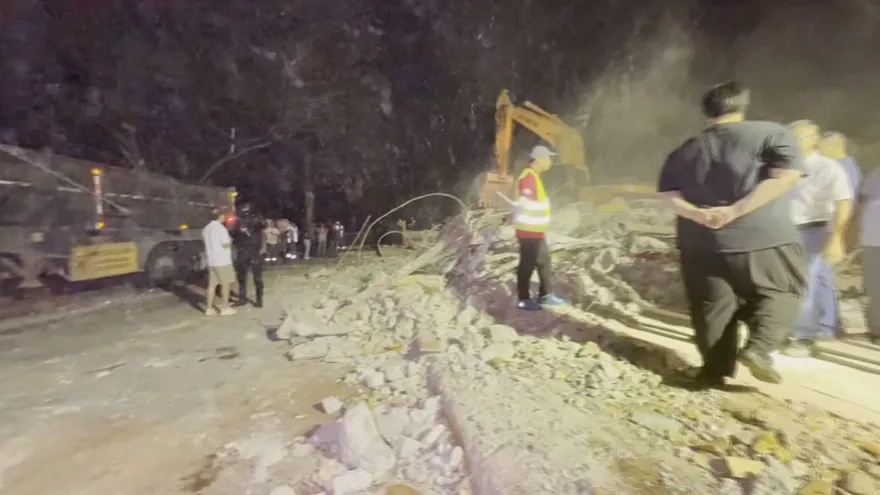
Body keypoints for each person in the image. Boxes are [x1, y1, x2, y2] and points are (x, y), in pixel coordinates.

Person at [656, 81, 807, 386]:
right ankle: (759, 350)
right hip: (763, 239)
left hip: (700, 243)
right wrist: (735, 211)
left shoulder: (684, 148)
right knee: (781, 291)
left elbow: (668, 195)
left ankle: (713, 372)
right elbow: (785, 177)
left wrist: (698, 214)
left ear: (706, 111)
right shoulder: (773, 134)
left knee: (712, 307)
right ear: (741, 106)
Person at [782, 121, 853, 357]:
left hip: (811, 231)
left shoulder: (828, 168)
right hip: (782, 231)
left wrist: (837, 239)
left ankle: (804, 337)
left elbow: (844, 202)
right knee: (783, 284)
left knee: (806, 284)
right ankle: (785, 329)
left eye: (798, 137)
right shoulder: (783, 166)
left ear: (814, 138)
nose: (792, 142)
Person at [511, 145, 566, 311]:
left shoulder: (533, 176)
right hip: (529, 231)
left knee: (543, 261)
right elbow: (526, 204)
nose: (550, 162)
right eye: (549, 158)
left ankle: (545, 295)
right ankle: (524, 299)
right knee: (527, 264)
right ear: (539, 159)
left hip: (535, 230)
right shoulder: (528, 177)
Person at [856, 165, 880, 344]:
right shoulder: (874, 173)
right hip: (872, 240)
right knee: (874, 287)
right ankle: (877, 329)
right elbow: (861, 203)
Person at [201, 208, 237, 316]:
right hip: (222, 261)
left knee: (211, 285)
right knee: (225, 284)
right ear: (220, 216)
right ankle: (225, 308)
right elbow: (225, 244)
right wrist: (230, 241)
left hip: (211, 261)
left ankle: (209, 308)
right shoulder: (221, 229)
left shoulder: (206, 229)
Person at [230, 203, 266, 308]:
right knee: (241, 276)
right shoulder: (238, 222)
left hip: (254, 251)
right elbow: (233, 234)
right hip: (243, 251)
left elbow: (262, 225)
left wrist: (251, 226)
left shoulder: (255, 220)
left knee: (257, 277)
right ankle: (243, 298)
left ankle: (259, 300)